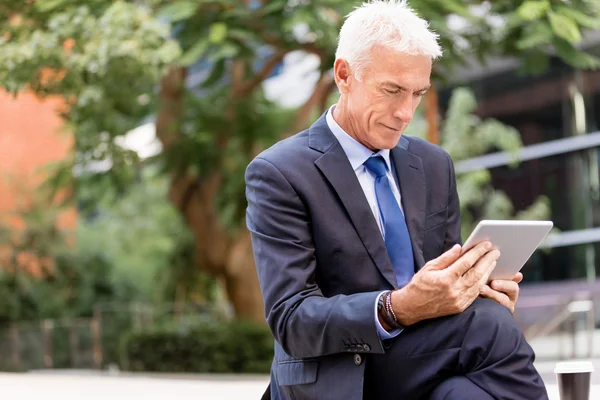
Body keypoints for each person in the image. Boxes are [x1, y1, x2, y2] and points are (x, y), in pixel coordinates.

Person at [245, 1, 549, 399]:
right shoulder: (279, 172)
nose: (406, 112)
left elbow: (442, 273)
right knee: (488, 325)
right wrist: (397, 307)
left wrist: (473, 288)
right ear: (344, 75)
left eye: (417, 93)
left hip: (428, 357)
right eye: (392, 91)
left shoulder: (433, 164)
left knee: (465, 390)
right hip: (340, 370)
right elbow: (292, 320)